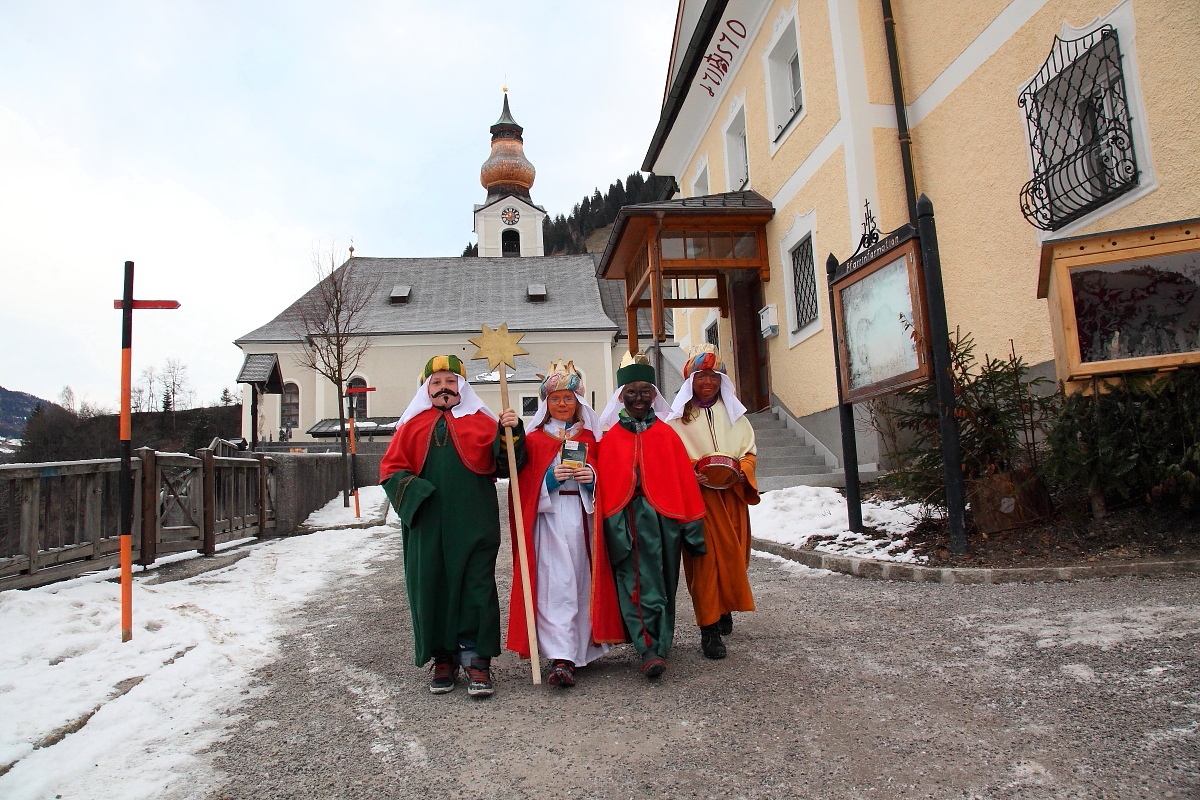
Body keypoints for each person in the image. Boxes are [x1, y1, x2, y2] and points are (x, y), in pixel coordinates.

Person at [378, 354, 525, 698]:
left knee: (476, 586)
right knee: (432, 586)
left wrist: (511, 431)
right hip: (427, 522)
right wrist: (418, 493)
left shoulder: (482, 422)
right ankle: (443, 656)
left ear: (462, 385)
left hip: (474, 519)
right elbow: (390, 470)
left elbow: (507, 466)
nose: (444, 388)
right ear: (426, 388)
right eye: (436, 383)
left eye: (450, 381)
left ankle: (477, 660)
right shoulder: (411, 426)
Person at [506, 360, 624, 687]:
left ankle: (581, 648)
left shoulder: (590, 438)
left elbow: (608, 479)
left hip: (583, 521)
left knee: (582, 583)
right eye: (555, 398)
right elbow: (520, 487)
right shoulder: (533, 441)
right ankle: (561, 656)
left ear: (578, 403)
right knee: (555, 586)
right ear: (546, 403)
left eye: (568, 399)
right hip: (550, 520)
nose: (561, 404)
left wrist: (591, 479)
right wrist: (546, 482)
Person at [595, 351, 706, 678]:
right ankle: (647, 648)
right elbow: (606, 485)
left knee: (663, 584)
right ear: (621, 396)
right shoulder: (610, 439)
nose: (639, 398)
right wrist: (611, 526)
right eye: (631, 392)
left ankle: (660, 642)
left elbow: (683, 483)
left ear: (654, 394)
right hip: (626, 521)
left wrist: (692, 531)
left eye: (646, 391)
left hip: (664, 524)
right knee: (633, 582)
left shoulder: (667, 436)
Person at [667, 346, 759, 660]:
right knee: (704, 562)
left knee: (735, 556)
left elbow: (749, 452)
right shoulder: (677, 421)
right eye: (701, 376)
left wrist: (742, 472)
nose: (707, 382)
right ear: (690, 380)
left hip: (732, 498)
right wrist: (689, 473)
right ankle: (709, 629)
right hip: (698, 501)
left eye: (713, 376)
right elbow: (672, 460)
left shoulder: (735, 415)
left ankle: (724, 606)